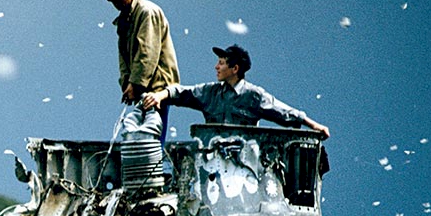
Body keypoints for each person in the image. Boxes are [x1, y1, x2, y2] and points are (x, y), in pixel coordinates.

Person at [141, 44, 330, 139]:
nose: (216, 67)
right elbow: (181, 92)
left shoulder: (253, 96)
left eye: (221, 63)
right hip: (210, 163)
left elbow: (285, 113)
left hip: (242, 166)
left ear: (235, 69)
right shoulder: (210, 92)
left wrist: (314, 126)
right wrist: (158, 95)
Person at [106, 0, 179, 142]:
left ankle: (153, 166)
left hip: (157, 86)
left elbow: (147, 53)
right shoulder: (125, 19)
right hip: (141, 87)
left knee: (152, 139)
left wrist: (136, 83)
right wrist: (127, 83)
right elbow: (123, 56)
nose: (115, 5)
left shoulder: (147, 12)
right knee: (139, 138)